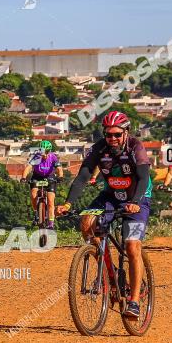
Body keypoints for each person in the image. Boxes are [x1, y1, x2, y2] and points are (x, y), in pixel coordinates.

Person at [56, 111, 151, 319]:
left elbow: (144, 178)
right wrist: (67, 203)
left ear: (126, 132)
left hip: (137, 198)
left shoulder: (136, 147)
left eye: (117, 134)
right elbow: (82, 176)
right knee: (87, 223)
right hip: (110, 196)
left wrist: (134, 202)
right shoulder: (99, 148)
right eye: (109, 135)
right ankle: (110, 271)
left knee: (132, 246)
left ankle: (134, 301)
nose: (113, 139)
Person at [22, 140, 64, 229]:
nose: (44, 153)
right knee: (33, 195)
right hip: (37, 176)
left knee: (50, 201)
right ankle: (36, 213)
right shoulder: (36, 156)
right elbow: (28, 167)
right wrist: (23, 177)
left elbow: (59, 169)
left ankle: (51, 223)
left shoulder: (53, 157)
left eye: (47, 151)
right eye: (42, 151)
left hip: (50, 177)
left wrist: (60, 177)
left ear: (49, 151)